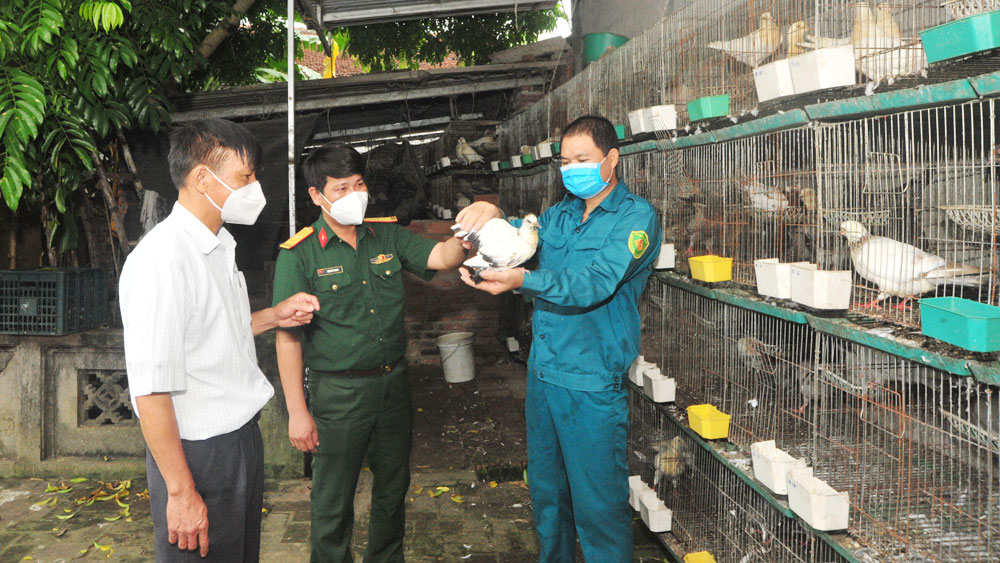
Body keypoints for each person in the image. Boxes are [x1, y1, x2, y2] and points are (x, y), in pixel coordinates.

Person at [456, 115, 663, 561]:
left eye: (582, 159)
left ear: (611, 159)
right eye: (565, 162)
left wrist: (520, 282)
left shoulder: (636, 218)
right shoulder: (560, 214)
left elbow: (594, 283)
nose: (571, 169)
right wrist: (491, 221)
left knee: (599, 511)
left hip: (591, 382)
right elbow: (522, 239)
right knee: (548, 500)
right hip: (544, 375)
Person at [119, 118, 320, 562]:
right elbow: (150, 391)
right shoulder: (162, 260)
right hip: (197, 454)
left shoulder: (219, 245)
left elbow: (214, 333)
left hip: (239, 441)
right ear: (201, 179)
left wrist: (272, 316)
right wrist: (181, 491)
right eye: (244, 177)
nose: (254, 188)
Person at [271, 143, 470, 562]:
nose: (353, 195)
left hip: (393, 387)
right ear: (316, 195)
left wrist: (472, 227)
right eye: (340, 188)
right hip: (338, 395)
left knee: (393, 491)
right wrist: (297, 411)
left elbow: (442, 255)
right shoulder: (299, 254)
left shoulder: (387, 234)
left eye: (358, 184)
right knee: (332, 502)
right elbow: (287, 338)